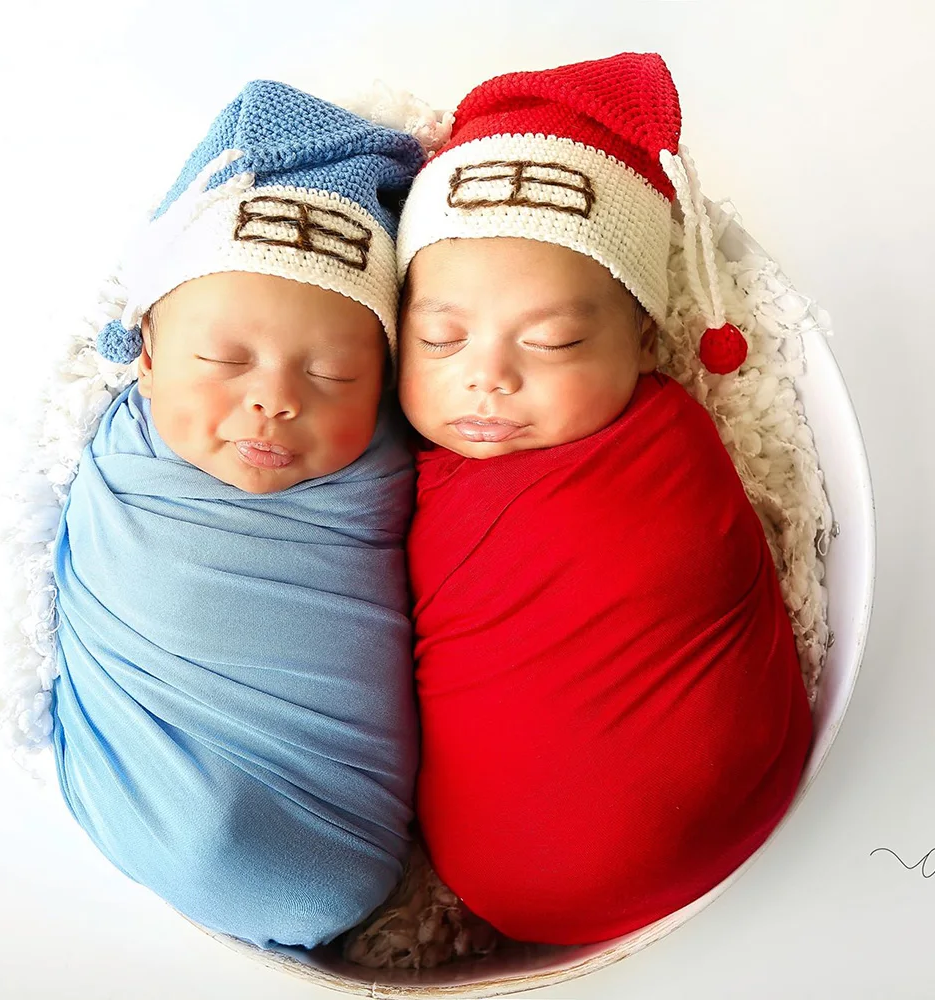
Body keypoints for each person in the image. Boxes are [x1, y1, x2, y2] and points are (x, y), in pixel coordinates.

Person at [395, 53, 813, 945]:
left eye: (552, 342)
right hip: (523, 872)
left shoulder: (669, 444)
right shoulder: (392, 474)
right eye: (439, 339)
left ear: (646, 344)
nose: (488, 380)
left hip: (739, 835)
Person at [50, 80, 426, 949]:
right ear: (142, 357)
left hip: (344, 812)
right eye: (222, 359)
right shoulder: (127, 457)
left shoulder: (386, 470)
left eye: (332, 376)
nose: (272, 402)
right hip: (144, 790)